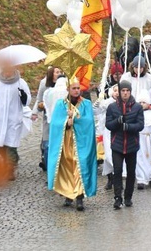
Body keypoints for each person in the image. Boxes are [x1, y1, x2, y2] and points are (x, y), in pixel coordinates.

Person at [47, 78, 97, 210]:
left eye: (78, 88)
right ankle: (68, 194)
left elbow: (88, 122)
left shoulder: (86, 104)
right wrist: (66, 122)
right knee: (68, 168)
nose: (76, 91)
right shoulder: (60, 104)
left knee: (79, 167)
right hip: (65, 143)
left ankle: (79, 197)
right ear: (68, 89)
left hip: (81, 143)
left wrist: (74, 117)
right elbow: (55, 123)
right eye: (73, 88)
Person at [0, 63, 31, 180]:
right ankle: (9, 160)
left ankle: (10, 169)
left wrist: (24, 96)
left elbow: (27, 99)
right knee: (0, 144)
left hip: (13, 118)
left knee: (11, 144)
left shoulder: (20, 82)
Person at [105, 80, 144, 209]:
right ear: (119, 92)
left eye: (127, 91)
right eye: (123, 91)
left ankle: (128, 196)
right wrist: (117, 121)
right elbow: (108, 125)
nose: (125, 93)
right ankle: (117, 197)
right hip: (117, 144)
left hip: (132, 144)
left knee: (131, 172)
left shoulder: (137, 107)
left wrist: (129, 126)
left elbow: (140, 125)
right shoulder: (112, 107)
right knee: (117, 171)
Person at [31, 65, 63, 172]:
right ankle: (49, 168)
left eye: (60, 72)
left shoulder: (64, 84)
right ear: (51, 74)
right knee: (48, 144)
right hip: (48, 120)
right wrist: (47, 105)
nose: (59, 74)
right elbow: (39, 101)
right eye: (57, 72)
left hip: (61, 120)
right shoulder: (45, 85)